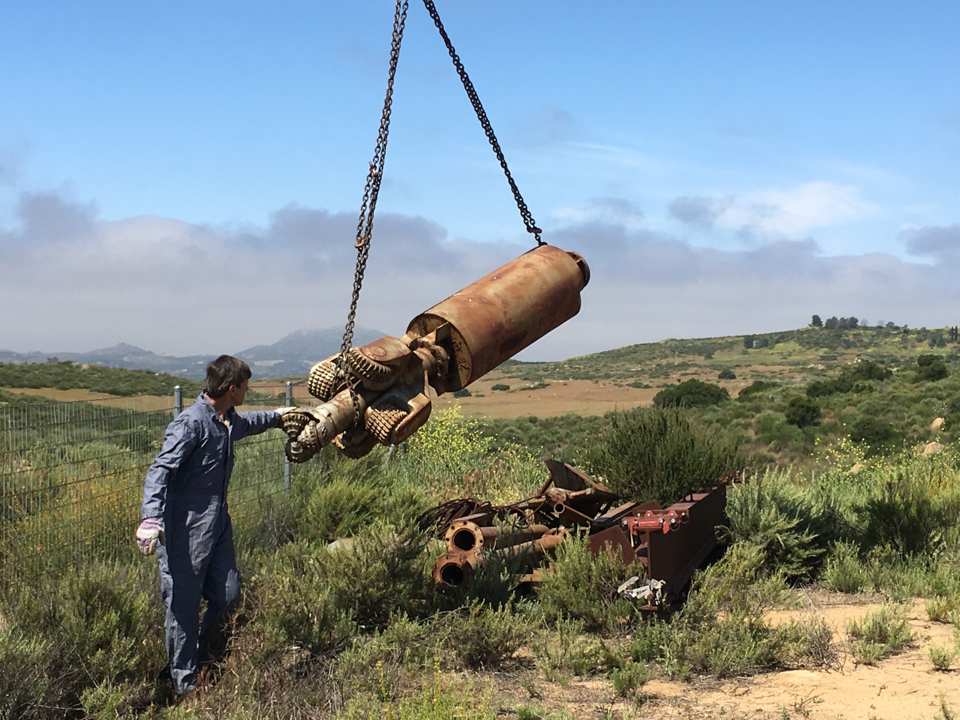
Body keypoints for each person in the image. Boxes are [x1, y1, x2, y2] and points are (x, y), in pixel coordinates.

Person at [135, 355, 293, 697]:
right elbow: (160, 470)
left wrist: (280, 417)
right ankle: (184, 684)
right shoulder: (190, 423)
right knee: (183, 608)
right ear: (232, 388)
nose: (248, 392)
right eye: (246, 387)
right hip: (184, 531)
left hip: (217, 524)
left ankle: (200, 654)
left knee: (228, 593)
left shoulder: (227, 420)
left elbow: (250, 424)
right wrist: (150, 517)